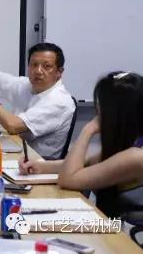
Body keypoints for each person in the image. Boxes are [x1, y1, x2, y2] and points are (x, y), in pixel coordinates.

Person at [20, 72, 143, 217]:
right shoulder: (131, 143)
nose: (98, 112)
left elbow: (68, 179)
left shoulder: (136, 157)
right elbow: (89, 164)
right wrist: (41, 166)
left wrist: (88, 130)